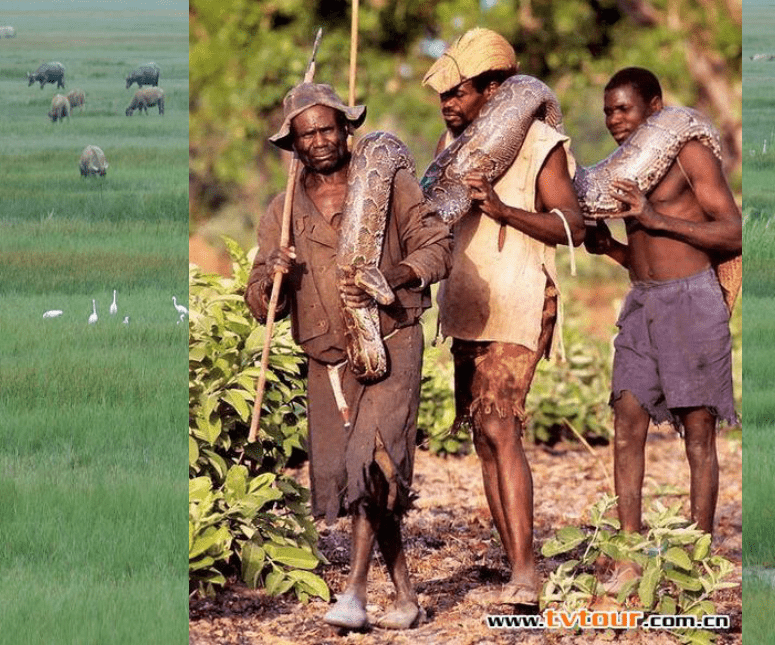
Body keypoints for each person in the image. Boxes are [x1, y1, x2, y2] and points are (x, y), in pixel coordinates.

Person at [244, 82, 451, 630]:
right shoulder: (282, 211)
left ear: (346, 128)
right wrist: (276, 276)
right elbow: (259, 302)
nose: (319, 141)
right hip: (328, 359)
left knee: (374, 458)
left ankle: (355, 594)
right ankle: (406, 596)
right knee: (359, 478)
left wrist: (395, 275)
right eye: (306, 133)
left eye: (328, 128)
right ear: (293, 143)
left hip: (392, 340)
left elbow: (437, 247)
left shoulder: (388, 183)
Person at [421, 28, 585, 605]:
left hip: (518, 298)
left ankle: (525, 572)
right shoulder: (454, 148)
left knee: (500, 428)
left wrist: (502, 208)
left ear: (493, 89)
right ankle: (512, 556)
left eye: (458, 92)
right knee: (484, 439)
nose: (448, 104)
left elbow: (572, 225)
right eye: (443, 94)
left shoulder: (540, 141)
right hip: (469, 307)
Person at [583, 67, 741, 590]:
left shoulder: (688, 152)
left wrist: (657, 218)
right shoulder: (629, 168)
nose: (614, 120)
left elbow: (734, 232)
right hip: (642, 304)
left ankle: (695, 558)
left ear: (655, 106)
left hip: (693, 301)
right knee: (627, 421)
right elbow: (645, 258)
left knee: (698, 435)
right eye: (608, 111)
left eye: (624, 108)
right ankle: (629, 552)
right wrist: (611, 249)